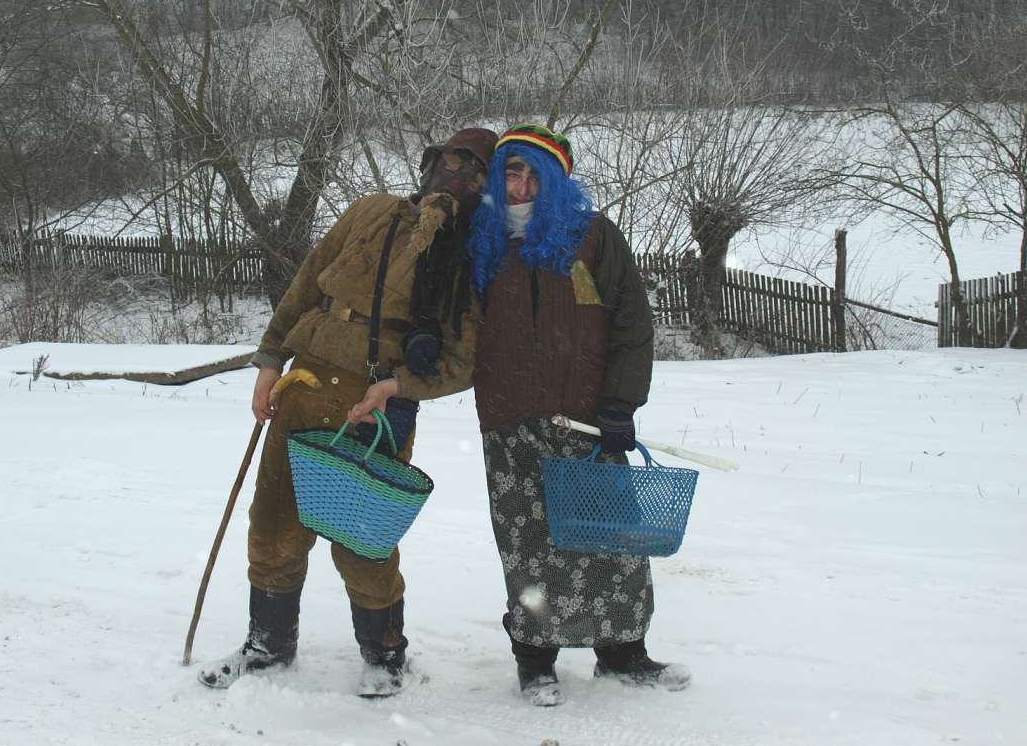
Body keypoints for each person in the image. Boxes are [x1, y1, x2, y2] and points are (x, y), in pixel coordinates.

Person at [197, 127, 496, 697]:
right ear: (432, 162)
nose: (458, 176)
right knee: (275, 519)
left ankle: (384, 655)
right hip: (306, 383)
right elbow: (306, 286)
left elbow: (460, 363)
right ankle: (268, 643)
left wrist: (397, 385)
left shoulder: (467, 259)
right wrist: (269, 360)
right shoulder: (371, 210)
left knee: (362, 537)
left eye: (475, 171)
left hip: (374, 409)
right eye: (452, 161)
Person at [467, 123, 690, 707]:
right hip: (510, 419)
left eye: (533, 173)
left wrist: (620, 404)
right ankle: (535, 661)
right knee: (528, 544)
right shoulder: (482, 240)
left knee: (611, 539)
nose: (520, 185)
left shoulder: (592, 238)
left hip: (587, 420)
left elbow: (630, 325)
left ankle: (622, 654)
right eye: (511, 171)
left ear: (559, 181)